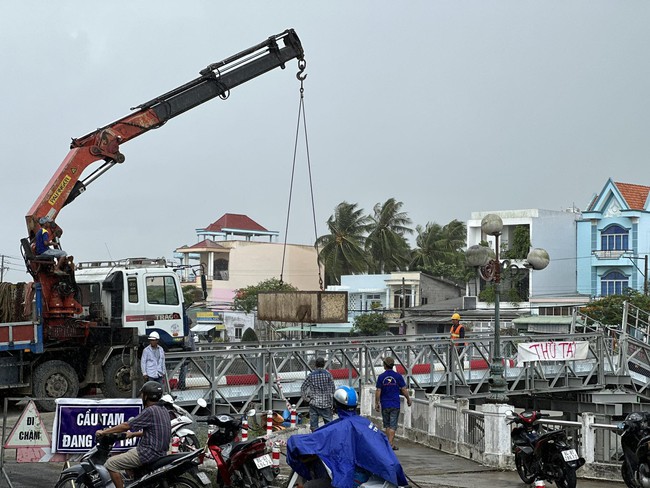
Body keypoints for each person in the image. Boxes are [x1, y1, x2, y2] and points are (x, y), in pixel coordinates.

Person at [287, 385, 408, 488]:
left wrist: (294, 443)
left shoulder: (339, 428)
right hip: (373, 476)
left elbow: (310, 442)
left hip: (350, 478)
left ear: (335, 405)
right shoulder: (366, 424)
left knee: (310, 486)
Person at [96, 381, 171, 488]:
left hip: (148, 453)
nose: (141, 397)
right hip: (160, 452)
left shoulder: (150, 411)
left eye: (142, 394)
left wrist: (104, 432)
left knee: (111, 463)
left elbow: (127, 425)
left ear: (146, 396)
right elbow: (154, 432)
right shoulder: (163, 410)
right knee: (127, 459)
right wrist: (133, 434)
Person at [375, 356, 411, 451]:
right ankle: (390, 444)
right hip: (395, 404)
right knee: (393, 425)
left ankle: (389, 444)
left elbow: (378, 390)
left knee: (387, 425)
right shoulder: (398, 376)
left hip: (385, 404)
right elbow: (404, 389)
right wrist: (408, 399)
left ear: (385, 365)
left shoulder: (381, 377)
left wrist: (377, 402)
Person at [301, 357, 335, 431]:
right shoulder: (328, 375)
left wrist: (306, 399)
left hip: (314, 403)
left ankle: (316, 439)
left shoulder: (311, 375)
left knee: (314, 426)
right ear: (324, 364)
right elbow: (333, 389)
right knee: (329, 425)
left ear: (315, 365)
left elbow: (303, 387)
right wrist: (331, 401)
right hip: (326, 404)